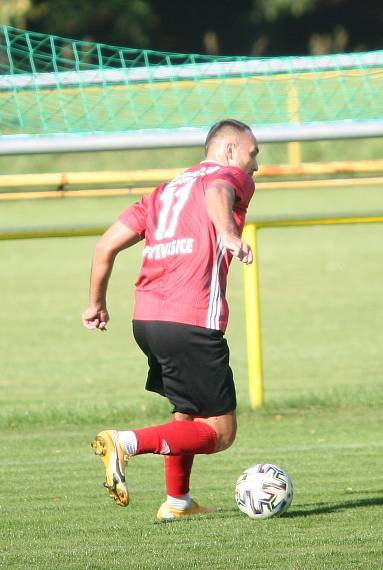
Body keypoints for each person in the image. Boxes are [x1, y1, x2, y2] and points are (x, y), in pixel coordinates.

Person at [82, 118, 259, 519]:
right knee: (220, 432)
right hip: (191, 319)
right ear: (229, 150)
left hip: (146, 319)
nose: (255, 165)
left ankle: (177, 502)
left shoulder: (162, 193)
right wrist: (228, 234)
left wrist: (96, 303)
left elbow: (104, 246)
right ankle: (124, 442)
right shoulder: (229, 176)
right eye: (253, 153)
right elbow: (217, 190)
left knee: (186, 411)